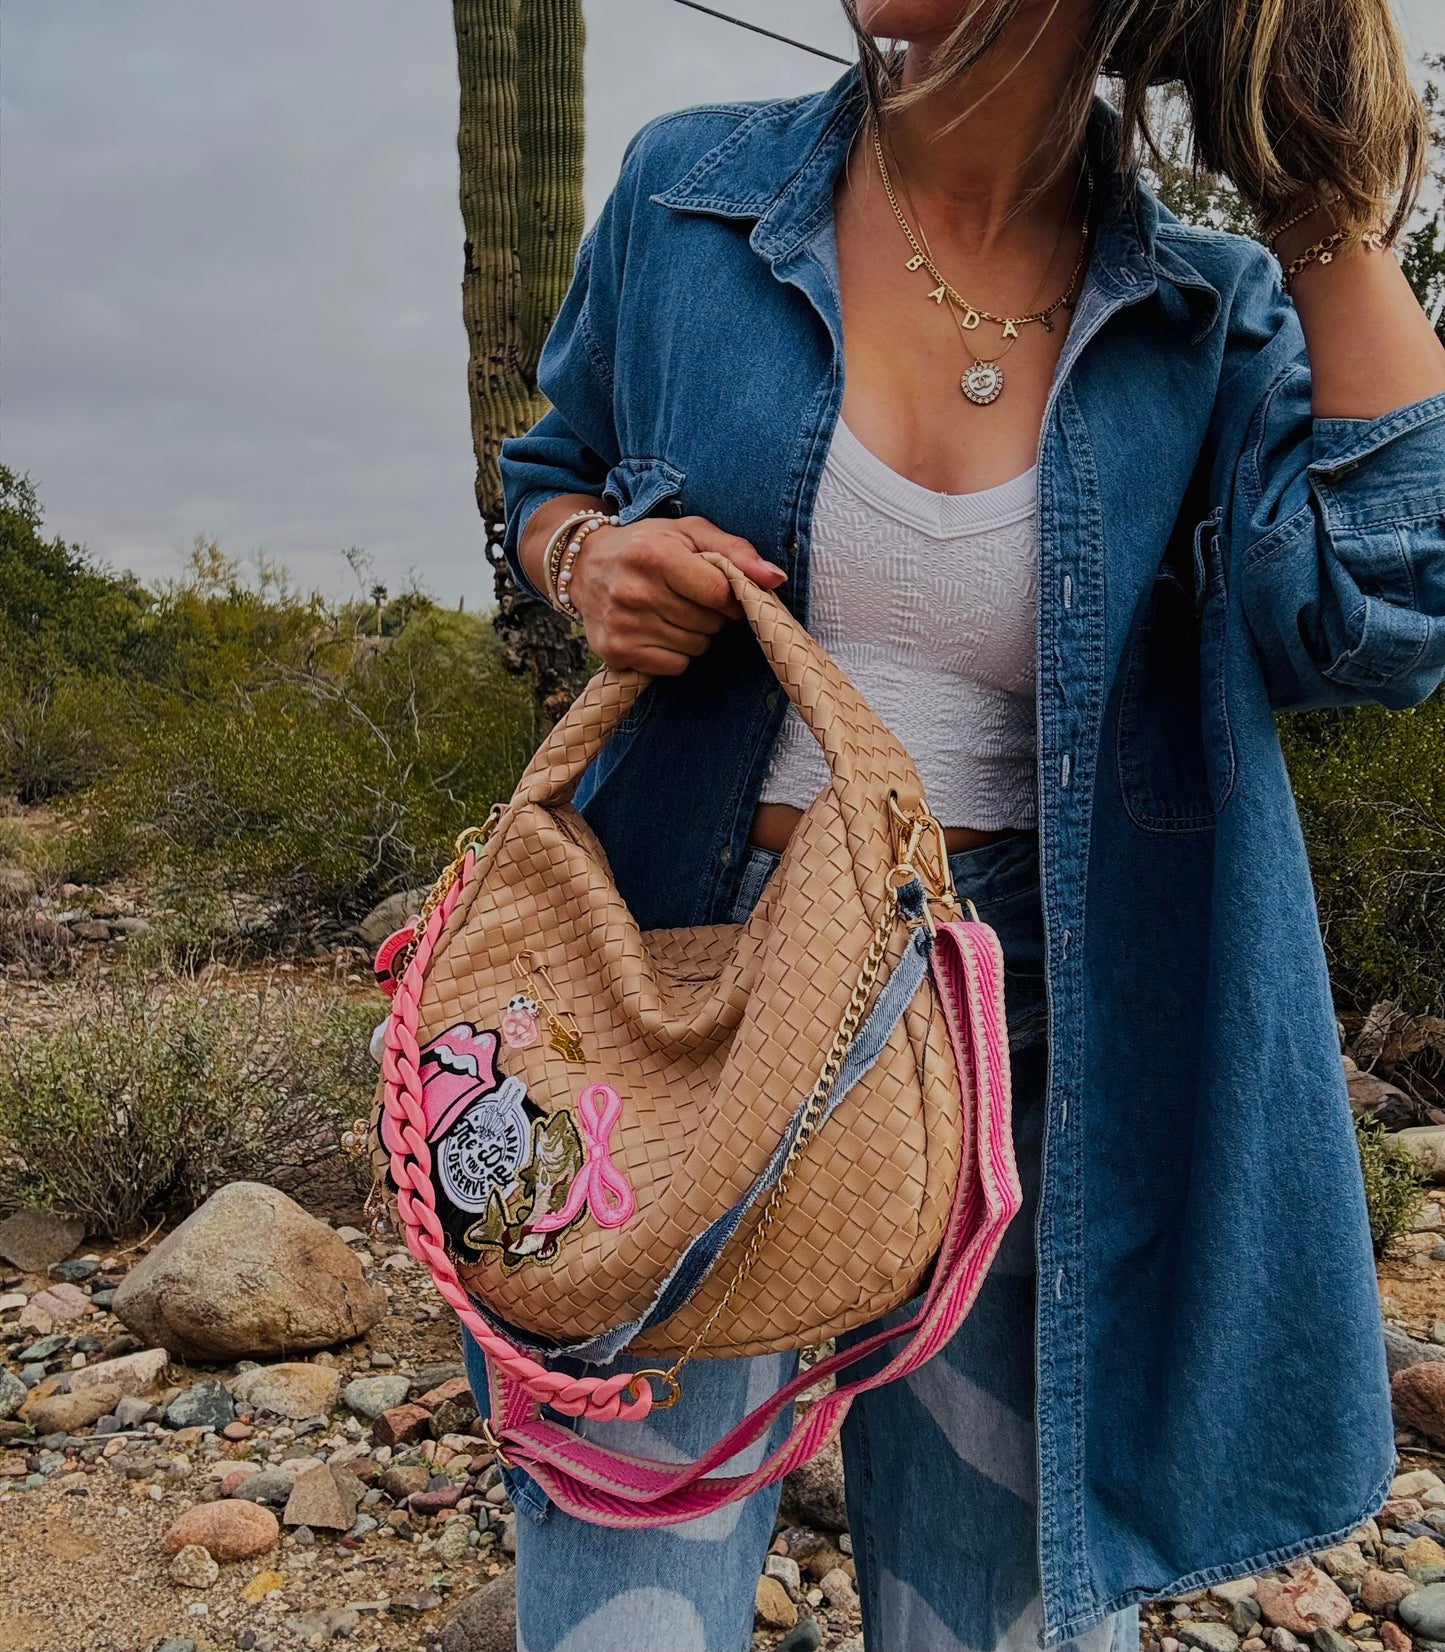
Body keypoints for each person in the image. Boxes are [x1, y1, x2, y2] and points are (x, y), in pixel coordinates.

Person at [474, 2, 1445, 1648]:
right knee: (616, 1616)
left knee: (982, 1619)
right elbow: (548, 471)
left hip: (1034, 1036)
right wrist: (585, 562)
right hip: (677, 999)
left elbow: (1381, 615)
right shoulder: (682, 194)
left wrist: (1324, 208)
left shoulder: (1214, 311)